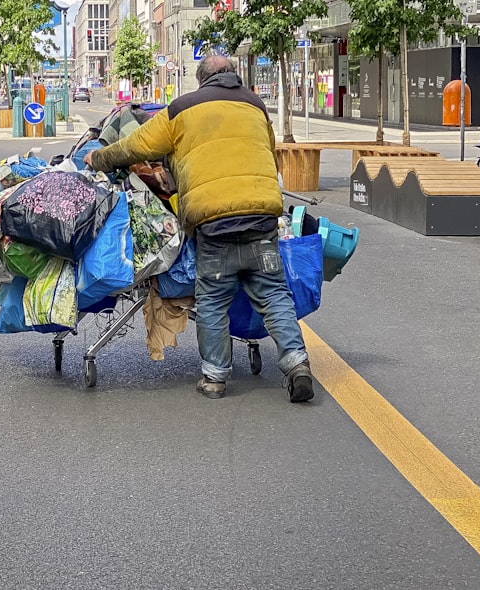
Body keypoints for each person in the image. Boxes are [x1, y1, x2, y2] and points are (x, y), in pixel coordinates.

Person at [84, 55, 313, 403]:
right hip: (263, 218)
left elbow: (136, 146)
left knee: (213, 299)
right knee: (273, 294)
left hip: (214, 223)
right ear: (232, 76)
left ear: (202, 79)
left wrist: (97, 158)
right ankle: (297, 365)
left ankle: (215, 378)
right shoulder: (255, 104)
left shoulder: (183, 108)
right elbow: (268, 151)